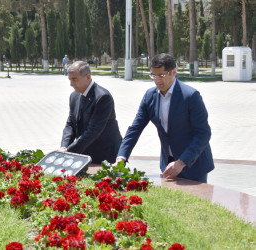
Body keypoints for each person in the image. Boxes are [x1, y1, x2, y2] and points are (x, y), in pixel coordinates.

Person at [115, 53, 214, 183]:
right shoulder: (149, 96)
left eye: (161, 75)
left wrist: (181, 162)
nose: (157, 80)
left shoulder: (190, 96)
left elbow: (203, 134)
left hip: (193, 164)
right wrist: (121, 157)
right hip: (167, 164)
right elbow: (135, 129)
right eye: (153, 75)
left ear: (173, 72)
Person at [59, 61, 122, 164]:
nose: (71, 84)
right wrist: (64, 147)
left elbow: (93, 130)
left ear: (88, 77)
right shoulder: (74, 96)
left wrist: (69, 150)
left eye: (74, 79)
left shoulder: (102, 97)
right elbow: (70, 124)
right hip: (84, 152)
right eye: (69, 80)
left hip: (105, 156)